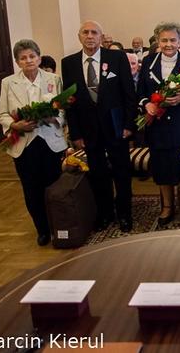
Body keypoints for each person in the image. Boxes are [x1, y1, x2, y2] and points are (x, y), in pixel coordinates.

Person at [61, 20, 136, 232]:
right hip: (88, 130)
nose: (90, 36)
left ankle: (125, 214)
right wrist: (75, 133)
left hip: (116, 127)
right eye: (85, 32)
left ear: (101, 37)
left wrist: (129, 124)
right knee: (97, 173)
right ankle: (105, 213)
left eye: (94, 32)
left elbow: (129, 93)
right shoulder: (69, 63)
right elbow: (70, 102)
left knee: (121, 172)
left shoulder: (117, 57)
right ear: (79, 36)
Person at [0, 39, 67, 246]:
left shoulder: (54, 79)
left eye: (32, 56)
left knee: (53, 186)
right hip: (24, 143)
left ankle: (58, 225)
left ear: (39, 57)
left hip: (50, 142)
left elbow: (63, 110)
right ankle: (42, 229)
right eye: (23, 58)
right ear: (17, 62)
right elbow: (1, 114)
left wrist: (54, 117)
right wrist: (15, 125)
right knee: (31, 188)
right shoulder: (8, 83)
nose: (28, 61)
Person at [138, 22, 180, 225]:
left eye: (173, 40)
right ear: (157, 41)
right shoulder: (148, 61)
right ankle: (167, 206)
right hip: (157, 125)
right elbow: (140, 92)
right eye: (164, 40)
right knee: (162, 166)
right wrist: (147, 104)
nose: (168, 44)